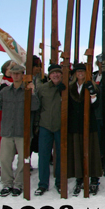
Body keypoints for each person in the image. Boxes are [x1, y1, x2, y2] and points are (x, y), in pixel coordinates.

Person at [0, 64, 39, 197]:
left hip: (23, 131)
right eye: (14, 73)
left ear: (23, 75)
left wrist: (33, 93)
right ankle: (6, 184)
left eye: (19, 73)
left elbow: (35, 106)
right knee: (5, 160)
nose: (16, 76)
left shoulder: (27, 91)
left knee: (23, 160)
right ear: (10, 75)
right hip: (7, 131)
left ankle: (18, 184)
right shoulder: (5, 91)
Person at [67, 63, 102, 196]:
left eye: (83, 71)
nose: (80, 73)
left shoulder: (92, 86)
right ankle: (79, 177)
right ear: (75, 74)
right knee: (78, 150)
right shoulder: (71, 87)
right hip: (75, 124)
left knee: (91, 150)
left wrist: (92, 93)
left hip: (89, 123)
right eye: (78, 71)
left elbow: (96, 105)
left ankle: (93, 178)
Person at [34, 64, 65, 195]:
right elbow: (37, 107)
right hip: (45, 125)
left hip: (60, 125)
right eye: (53, 73)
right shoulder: (42, 89)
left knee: (60, 156)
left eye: (58, 73)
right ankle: (43, 184)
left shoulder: (65, 88)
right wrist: (36, 125)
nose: (55, 75)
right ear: (49, 75)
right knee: (44, 155)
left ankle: (59, 182)